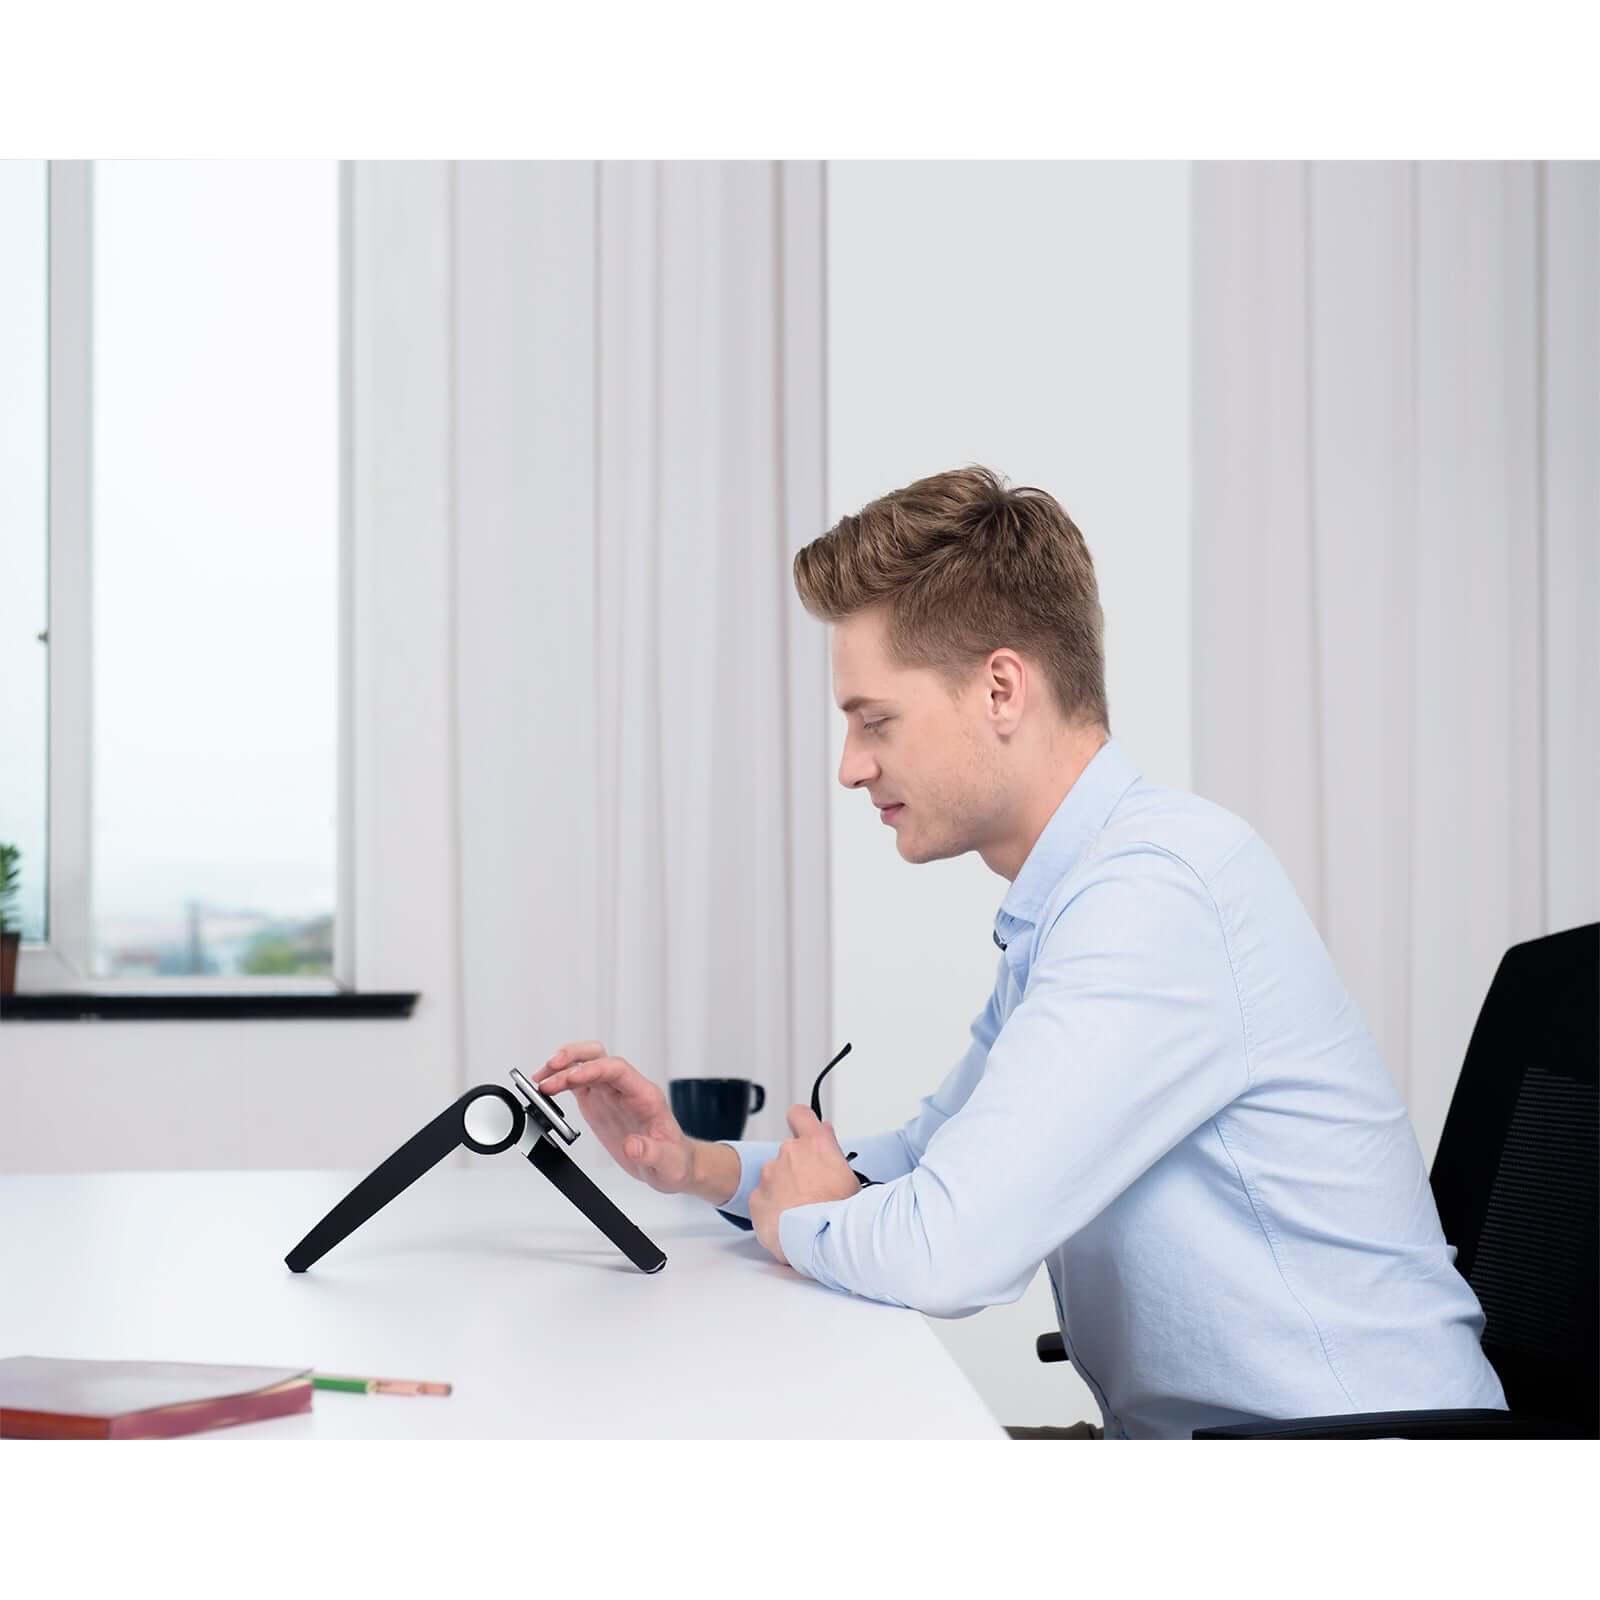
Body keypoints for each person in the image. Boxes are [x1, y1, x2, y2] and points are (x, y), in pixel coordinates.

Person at [531, 464, 1507, 1441]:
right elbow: (929, 1160)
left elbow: (949, 1248)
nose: (850, 765)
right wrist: (695, 1165)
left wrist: (803, 1220)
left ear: (1001, 687)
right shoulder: (1084, 896)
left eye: (874, 719)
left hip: (1356, 1479)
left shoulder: (1152, 896)